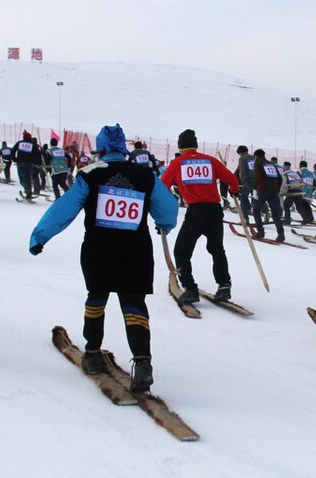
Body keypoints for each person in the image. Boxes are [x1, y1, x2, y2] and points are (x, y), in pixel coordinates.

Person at [29, 124, 178, 392]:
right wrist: (165, 224)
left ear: (100, 148)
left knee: (96, 299)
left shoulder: (89, 175)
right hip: (135, 251)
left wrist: (40, 237)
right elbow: (167, 209)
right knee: (134, 305)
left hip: (99, 250)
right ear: (124, 147)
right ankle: (143, 362)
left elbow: (64, 209)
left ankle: (93, 354)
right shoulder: (145, 175)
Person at [159, 129, 242, 305]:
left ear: (180, 147)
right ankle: (224, 285)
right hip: (214, 211)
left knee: (181, 251)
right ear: (195, 145)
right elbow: (232, 180)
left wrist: (162, 214)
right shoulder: (210, 161)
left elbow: (161, 188)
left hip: (195, 212)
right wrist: (234, 190)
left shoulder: (177, 163)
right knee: (216, 248)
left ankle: (190, 289)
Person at [250, 149, 285, 241]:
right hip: (273, 191)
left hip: (263, 190)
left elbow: (257, 177)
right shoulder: (271, 164)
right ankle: (281, 234)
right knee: (275, 214)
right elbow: (280, 178)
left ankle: (260, 232)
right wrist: (277, 189)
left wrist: (254, 189)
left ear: (256, 156)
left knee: (256, 211)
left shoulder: (258, 163)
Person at [12, 131, 39, 200]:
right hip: (30, 164)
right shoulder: (33, 145)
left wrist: (14, 159)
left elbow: (13, 151)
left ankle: (27, 190)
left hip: (20, 163)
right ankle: (29, 194)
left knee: (22, 179)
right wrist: (37, 162)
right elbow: (38, 154)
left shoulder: (20, 143)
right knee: (28, 178)